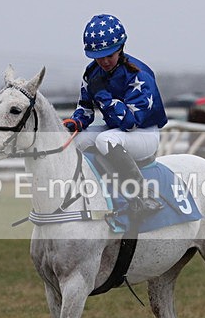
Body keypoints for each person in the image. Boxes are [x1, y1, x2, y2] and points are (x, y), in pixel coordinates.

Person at [65, 13, 167, 215]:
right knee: (78, 141)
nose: (104, 61)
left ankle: (143, 196)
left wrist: (104, 97)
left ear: (120, 48)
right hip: (116, 131)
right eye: (98, 57)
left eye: (109, 55)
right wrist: (74, 123)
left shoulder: (138, 74)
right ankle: (92, 191)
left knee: (105, 140)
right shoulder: (92, 72)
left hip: (143, 133)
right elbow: (85, 109)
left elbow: (130, 122)